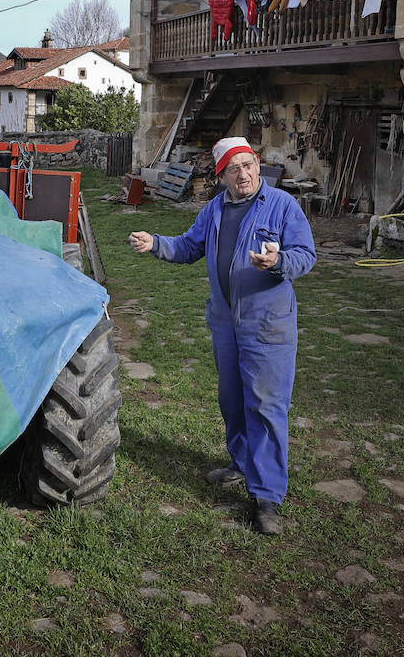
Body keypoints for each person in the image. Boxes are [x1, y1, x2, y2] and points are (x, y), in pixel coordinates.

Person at [128, 137, 316, 535]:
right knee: (232, 400)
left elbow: (306, 254)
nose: (244, 174)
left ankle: (266, 497)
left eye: (248, 165)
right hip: (226, 322)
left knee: (265, 406)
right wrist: (156, 243)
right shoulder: (215, 209)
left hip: (268, 324)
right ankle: (242, 463)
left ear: (257, 166)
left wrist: (278, 261)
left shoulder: (282, 205)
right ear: (223, 175)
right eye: (234, 168)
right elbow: (189, 247)